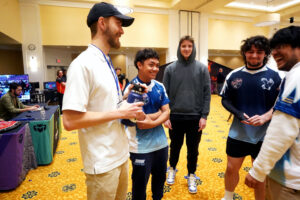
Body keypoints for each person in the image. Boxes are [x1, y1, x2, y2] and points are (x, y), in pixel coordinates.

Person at [62, 2, 144, 200]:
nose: (122, 31)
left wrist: (125, 98)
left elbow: (105, 104)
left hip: (120, 155)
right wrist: (120, 113)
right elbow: (70, 121)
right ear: (102, 23)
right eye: (119, 24)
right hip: (102, 164)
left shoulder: (106, 61)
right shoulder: (82, 64)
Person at [220, 35, 282, 200]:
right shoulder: (233, 75)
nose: (254, 55)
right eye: (250, 51)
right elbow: (225, 99)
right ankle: (228, 196)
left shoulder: (276, 77)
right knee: (231, 168)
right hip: (238, 132)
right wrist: (238, 113)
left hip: (264, 135)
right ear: (244, 53)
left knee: (259, 173)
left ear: (265, 54)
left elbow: (281, 103)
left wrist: (266, 117)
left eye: (259, 52)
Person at [245, 26, 300, 200]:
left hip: (289, 179)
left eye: (280, 46)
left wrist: (258, 170)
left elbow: (282, 131)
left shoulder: (296, 76)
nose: (274, 53)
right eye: (273, 48)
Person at [163, 35, 211, 194]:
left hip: (195, 117)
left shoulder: (202, 68)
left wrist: (204, 115)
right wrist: (166, 116)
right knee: (174, 147)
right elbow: (165, 95)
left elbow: (207, 93)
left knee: (193, 149)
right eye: (183, 46)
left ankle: (191, 174)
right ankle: (172, 168)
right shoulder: (170, 69)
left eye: (189, 46)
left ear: (193, 48)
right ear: (179, 48)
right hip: (175, 116)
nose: (186, 49)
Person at [125, 48, 170, 200]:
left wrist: (154, 118)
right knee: (139, 186)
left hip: (161, 144)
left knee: (159, 183)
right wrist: (159, 114)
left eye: (157, 65)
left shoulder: (159, 86)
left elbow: (167, 111)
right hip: (140, 147)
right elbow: (139, 122)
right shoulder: (132, 89)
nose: (155, 69)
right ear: (139, 64)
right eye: (151, 65)